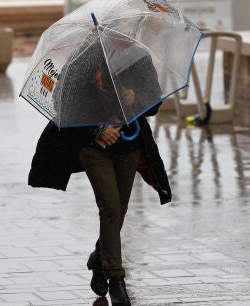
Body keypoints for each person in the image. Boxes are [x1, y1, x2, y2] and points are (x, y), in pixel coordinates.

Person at [27, 29, 171, 306]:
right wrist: (97, 131)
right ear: (109, 31)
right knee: (111, 208)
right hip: (93, 146)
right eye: (124, 30)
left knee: (120, 211)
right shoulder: (86, 56)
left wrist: (135, 99)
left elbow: (153, 102)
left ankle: (99, 257)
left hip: (129, 144)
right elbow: (63, 101)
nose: (129, 34)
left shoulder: (140, 58)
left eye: (133, 29)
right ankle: (117, 280)